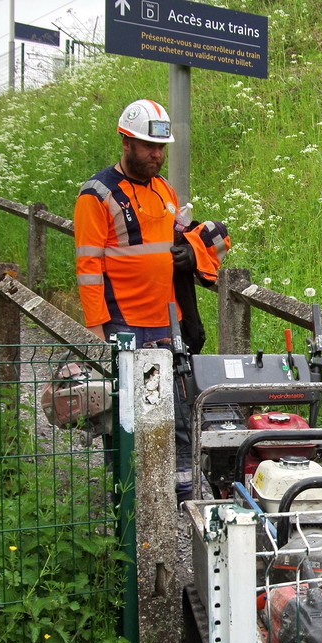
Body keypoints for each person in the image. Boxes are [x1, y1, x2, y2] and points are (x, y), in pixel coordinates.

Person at [74, 98, 230, 503]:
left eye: (161, 148)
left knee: (176, 410)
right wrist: (96, 334)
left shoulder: (164, 190)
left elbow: (182, 239)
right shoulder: (97, 195)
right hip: (122, 325)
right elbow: (88, 269)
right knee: (125, 418)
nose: (156, 155)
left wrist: (192, 251)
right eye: (148, 146)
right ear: (125, 142)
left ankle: (179, 492)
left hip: (166, 323)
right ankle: (125, 496)